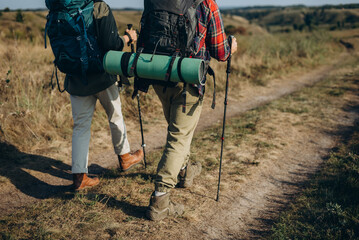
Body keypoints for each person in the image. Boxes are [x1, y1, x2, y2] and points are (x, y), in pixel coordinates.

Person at [141, 0, 238, 220]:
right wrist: (231, 46)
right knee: (178, 137)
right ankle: (160, 200)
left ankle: (184, 172)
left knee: (177, 130)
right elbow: (221, 52)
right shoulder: (206, 3)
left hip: (157, 73)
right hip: (188, 78)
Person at [67, 0, 144, 190]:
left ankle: (79, 177)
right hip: (101, 75)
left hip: (76, 76)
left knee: (80, 126)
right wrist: (127, 38)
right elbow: (111, 45)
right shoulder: (99, 7)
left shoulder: (63, 8)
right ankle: (125, 158)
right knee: (115, 116)